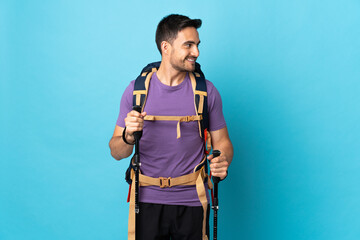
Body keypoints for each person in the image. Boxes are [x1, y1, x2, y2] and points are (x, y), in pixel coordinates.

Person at [109, 14, 233, 240]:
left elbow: (222, 142)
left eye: (197, 45)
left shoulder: (206, 93)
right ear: (165, 47)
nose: (196, 52)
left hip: (193, 200)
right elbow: (116, 152)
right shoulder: (136, 92)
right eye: (188, 45)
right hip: (145, 200)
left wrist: (222, 159)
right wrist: (128, 136)